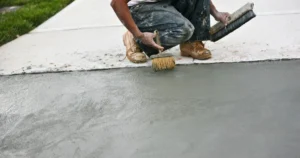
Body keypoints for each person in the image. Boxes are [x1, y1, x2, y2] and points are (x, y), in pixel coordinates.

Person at [111, 0, 230, 63]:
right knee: (183, 30)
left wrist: (215, 13)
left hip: (164, 2)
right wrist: (139, 34)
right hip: (140, 7)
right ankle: (134, 39)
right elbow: (117, 3)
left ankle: (191, 43)